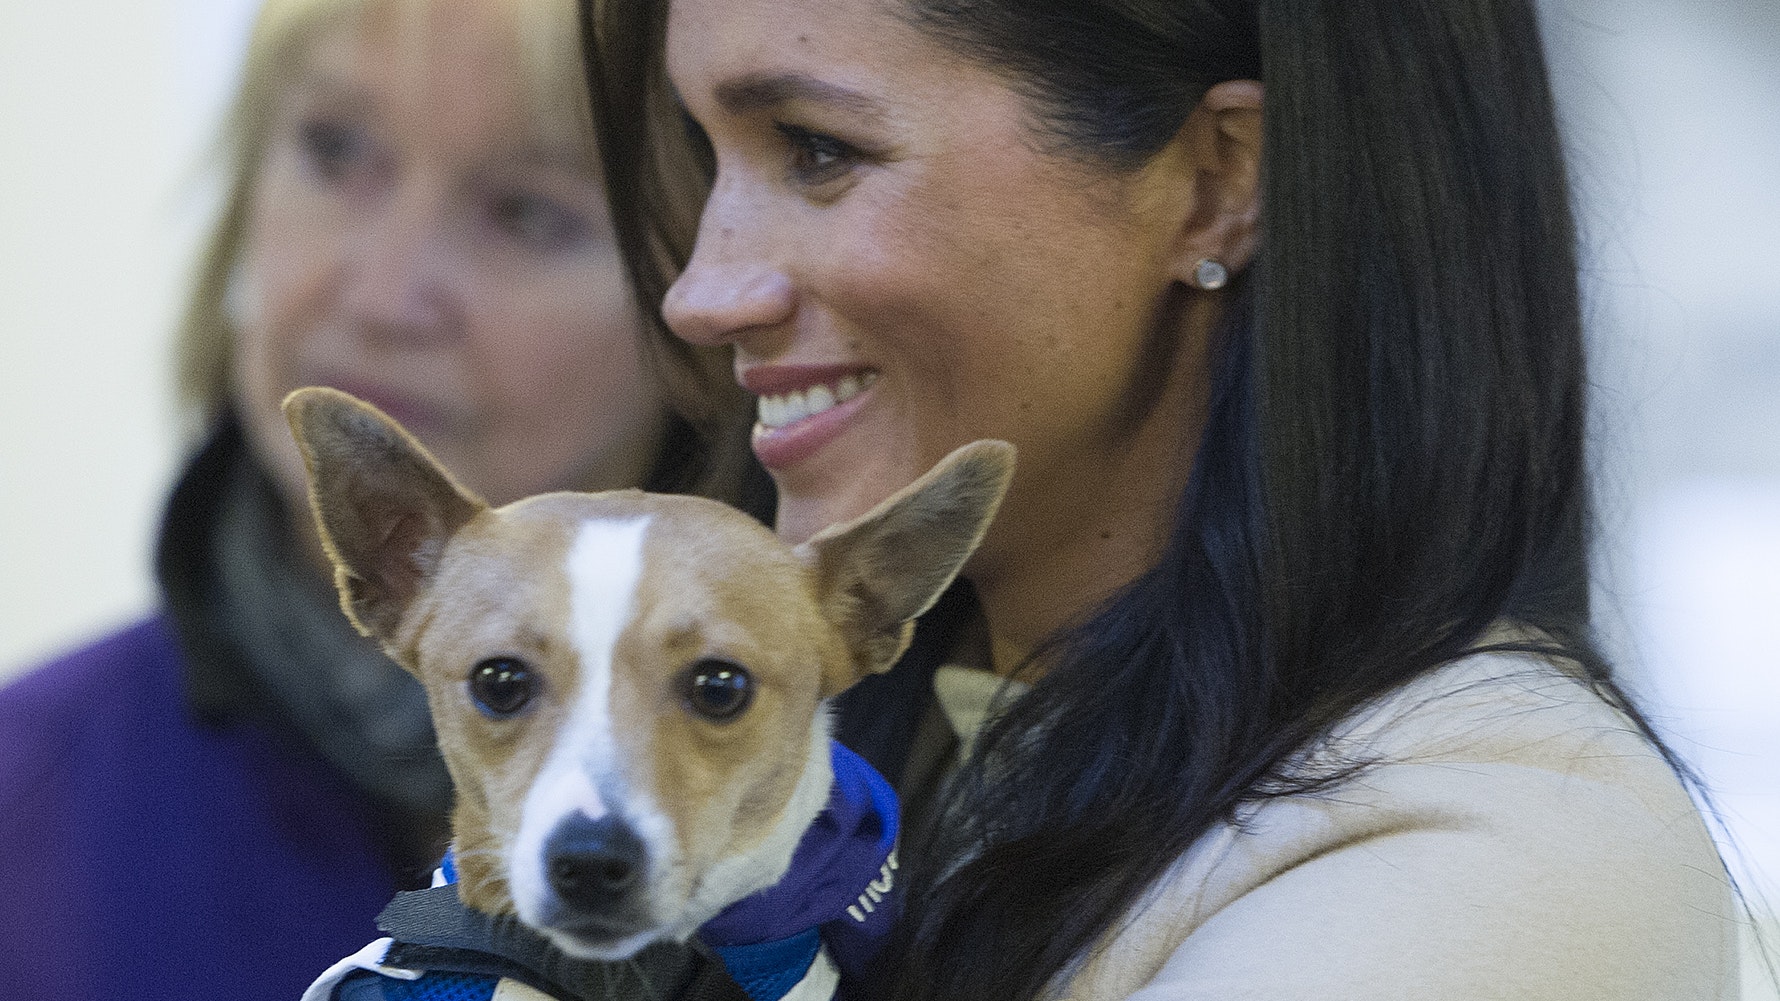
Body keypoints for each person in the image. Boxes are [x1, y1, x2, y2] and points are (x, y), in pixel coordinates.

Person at [580, 0, 1746, 998]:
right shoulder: (856, 739)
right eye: (705, 152)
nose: (701, 292)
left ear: (1216, 181)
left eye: (815, 148)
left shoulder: (1505, 846)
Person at [0, 0, 762, 998]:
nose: (381, 293)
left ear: (707, 303)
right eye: (334, 149)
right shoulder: (28, 799)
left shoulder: (877, 824)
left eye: (528, 211)